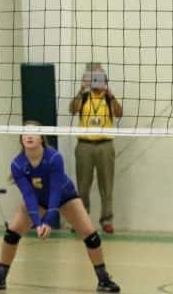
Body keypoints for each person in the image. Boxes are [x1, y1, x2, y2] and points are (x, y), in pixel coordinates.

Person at [0, 122, 121, 292]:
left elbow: (55, 191)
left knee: (91, 236)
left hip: (65, 197)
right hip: (38, 200)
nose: (29, 136)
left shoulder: (54, 158)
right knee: (12, 233)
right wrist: (37, 222)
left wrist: (48, 221)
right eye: (25, 133)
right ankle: (0, 277)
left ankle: (104, 279)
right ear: (20, 138)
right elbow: (28, 195)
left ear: (42, 137)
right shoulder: (18, 164)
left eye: (34, 133)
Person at [69, 64, 123, 234]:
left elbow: (119, 113)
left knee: (106, 185)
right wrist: (81, 89)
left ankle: (107, 220)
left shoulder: (108, 98)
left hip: (105, 145)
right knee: (83, 186)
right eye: (94, 78)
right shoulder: (84, 97)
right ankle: (81, 219)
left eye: (100, 78)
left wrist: (111, 95)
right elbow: (72, 110)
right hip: (85, 145)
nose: (97, 81)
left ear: (105, 80)